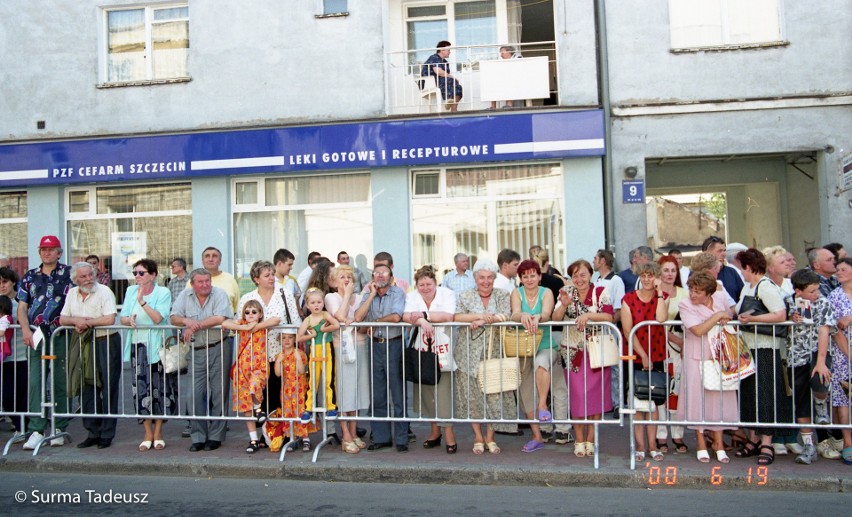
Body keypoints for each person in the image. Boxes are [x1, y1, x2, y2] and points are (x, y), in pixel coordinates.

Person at [734, 248, 793, 466]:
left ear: (749, 267)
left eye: (742, 268)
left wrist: (753, 320)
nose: (741, 272)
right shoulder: (747, 287)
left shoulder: (765, 286)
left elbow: (780, 314)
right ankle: (754, 438)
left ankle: (766, 442)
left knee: (765, 395)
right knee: (750, 394)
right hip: (749, 348)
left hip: (765, 348)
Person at [453, 258, 516, 455]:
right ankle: (478, 437)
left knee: (494, 395)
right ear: (475, 278)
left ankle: (490, 437)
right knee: (472, 397)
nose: (486, 281)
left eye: (490, 277)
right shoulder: (465, 295)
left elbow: (507, 314)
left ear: (495, 278)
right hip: (468, 353)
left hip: (494, 351)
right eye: (482, 277)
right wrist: (478, 319)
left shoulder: (502, 294)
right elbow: (457, 316)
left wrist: (492, 319)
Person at [553, 259, 615, 458]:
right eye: (575, 275)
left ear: (591, 275)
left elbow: (608, 317)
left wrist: (588, 316)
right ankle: (579, 439)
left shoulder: (601, 292)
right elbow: (555, 319)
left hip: (597, 351)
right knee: (578, 396)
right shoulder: (566, 293)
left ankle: (592, 439)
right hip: (572, 352)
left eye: (583, 275)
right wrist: (563, 306)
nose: (579, 279)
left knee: (596, 396)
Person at [19, 235, 73, 450]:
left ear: (59, 252)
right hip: (36, 336)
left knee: (61, 381)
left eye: (51, 249)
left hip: (61, 334)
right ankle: (36, 429)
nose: (47, 253)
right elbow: (22, 306)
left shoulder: (69, 274)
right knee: (36, 382)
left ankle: (59, 428)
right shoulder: (30, 276)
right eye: (43, 249)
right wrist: (24, 328)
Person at [678, 272, 739, 463]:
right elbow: (697, 330)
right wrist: (718, 316)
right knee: (697, 399)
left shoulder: (720, 298)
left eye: (697, 291)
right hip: (695, 356)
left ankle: (718, 443)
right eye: (691, 290)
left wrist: (723, 315)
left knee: (719, 398)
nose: (693, 295)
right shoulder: (685, 304)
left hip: (719, 356)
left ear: (708, 292)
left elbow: (730, 316)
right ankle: (701, 442)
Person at [170, 268, 233, 452]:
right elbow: (174, 317)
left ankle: (216, 436)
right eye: (201, 282)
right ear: (193, 283)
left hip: (218, 347)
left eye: (208, 281)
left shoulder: (219, 293)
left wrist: (195, 326)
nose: (205, 284)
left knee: (219, 393)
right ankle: (198, 436)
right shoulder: (185, 295)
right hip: (195, 350)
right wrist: (186, 322)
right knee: (193, 395)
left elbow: (220, 317)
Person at [60, 261, 120, 450]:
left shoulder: (104, 291)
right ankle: (92, 432)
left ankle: (107, 433)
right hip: (83, 344)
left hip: (105, 342)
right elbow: (63, 318)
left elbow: (110, 318)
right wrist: (77, 320)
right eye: (83, 276)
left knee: (108, 387)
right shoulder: (71, 293)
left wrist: (88, 323)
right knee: (87, 388)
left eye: (90, 275)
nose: (88, 279)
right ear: (75, 279)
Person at [119, 259, 173, 452]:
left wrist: (142, 302)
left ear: (152, 274)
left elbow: (159, 318)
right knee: (141, 390)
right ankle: (147, 432)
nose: (137, 277)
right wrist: (129, 320)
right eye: (135, 273)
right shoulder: (130, 291)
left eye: (141, 273)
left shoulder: (162, 292)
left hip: (156, 347)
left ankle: (158, 431)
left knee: (159, 389)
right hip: (137, 345)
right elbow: (123, 317)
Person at [403, 265, 458, 454]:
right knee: (426, 390)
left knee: (443, 393)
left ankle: (449, 433)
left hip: (443, 347)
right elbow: (406, 315)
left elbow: (448, 315)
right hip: (422, 347)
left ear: (435, 282)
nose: (425, 287)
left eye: (428, 283)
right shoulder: (412, 296)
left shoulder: (447, 294)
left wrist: (425, 315)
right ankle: (435, 432)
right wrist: (423, 321)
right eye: (421, 284)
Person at [354, 263, 409, 452]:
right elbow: (358, 317)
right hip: (374, 345)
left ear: (391, 277)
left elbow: (396, 317)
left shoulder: (397, 293)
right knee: (377, 394)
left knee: (398, 393)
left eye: (384, 272)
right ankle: (380, 437)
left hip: (394, 344)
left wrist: (375, 321)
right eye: (376, 273)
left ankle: (402, 438)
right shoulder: (368, 294)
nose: (380, 276)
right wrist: (370, 295)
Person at [620, 262, 668, 462]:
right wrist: (643, 355)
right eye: (645, 275)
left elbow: (661, 319)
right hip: (636, 354)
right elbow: (627, 330)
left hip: (656, 353)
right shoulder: (629, 299)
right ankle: (640, 446)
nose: (647, 279)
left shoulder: (662, 298)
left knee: (654, 404)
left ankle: (653, 445)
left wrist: (659, 294)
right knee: (639, 403)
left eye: (652, 276)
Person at [787, 268, 835, 465]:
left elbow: (824, 331)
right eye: (812, 291)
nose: (816, 294)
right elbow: (783, 321)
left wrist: (821, 362)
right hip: (796, 355)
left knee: (820, 381)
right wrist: (790, 319)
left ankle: (821, 403)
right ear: (798, 291)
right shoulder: (789, 301)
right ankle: (809, 445)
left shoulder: (824, 303)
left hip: (818, 352)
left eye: (817, 290)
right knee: (801, 401)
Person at [237, 260, 295, 417]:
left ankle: (280, 436)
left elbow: (294, 321)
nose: (271, 278)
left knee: (278, 395)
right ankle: (265, 435)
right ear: (256, 279)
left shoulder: (285, 295)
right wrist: (245, 327)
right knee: (259, 397)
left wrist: (256, 327)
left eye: (272, 274)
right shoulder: (247, 298)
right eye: (266, 275)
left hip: (280, 352)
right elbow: (239, 323)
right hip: (256, 356)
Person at [510, 259, 556, 453]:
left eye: (532, 275)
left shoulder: (546, 292)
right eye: (525, 276)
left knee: (541, 363)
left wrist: (538, 317)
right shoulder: (516, 292)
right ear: (520, 278)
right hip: (522, 347)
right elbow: (514, 314)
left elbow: (547, 312)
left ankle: (543, 404)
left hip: (545, 345)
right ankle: (537, 436)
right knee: (525, 391)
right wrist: (522, 316)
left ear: (539, 276)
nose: (529, 279)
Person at [222, 300, 278, 453]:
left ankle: (259, 409)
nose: (250, 315)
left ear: (260, 314)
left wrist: (257, 326)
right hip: (242, 369)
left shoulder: (263, 325)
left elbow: (277, 320)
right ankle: (253, 439)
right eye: (247, 312)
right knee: (246, 405)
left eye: (254, 312)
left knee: (255, 386)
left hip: (258, 367)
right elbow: (225, 323)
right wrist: (243, 327)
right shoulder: (241, 324)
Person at [325, 265, 370, 453]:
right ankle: (345, 434)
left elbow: (361, 321)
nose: (346, 279)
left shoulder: (359, 298)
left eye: (349, 276)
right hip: (341, 348)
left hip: (359, 345)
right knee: (344, 389)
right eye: (342, 276)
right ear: (335, 282)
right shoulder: (331, 297)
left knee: (358, 388)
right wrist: (346, 295)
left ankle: (354, 431)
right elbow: (340, 316)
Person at [656, 255, 688, 454]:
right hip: (661, 346)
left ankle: (678, 434)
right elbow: (655, 321)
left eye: (673, 270)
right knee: (661, 389)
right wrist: (675, 340)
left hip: (681, 348)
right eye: (666, 270)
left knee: (678, 389)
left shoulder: (684, 293)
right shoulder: (655, 293)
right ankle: (661, 434)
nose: (669, 274)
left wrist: (683, 342)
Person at [297, 288, 340, 433]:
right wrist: (312, 335)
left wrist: (324, 329)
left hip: (327, 349)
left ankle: (331, 406)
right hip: (314, 351)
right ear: (307, 305)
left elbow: (336, 325)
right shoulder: (307, 320)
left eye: (319, 302)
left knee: (328, 379)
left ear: (323, 303)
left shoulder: (325, 315)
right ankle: (308, 408)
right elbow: (299, 337)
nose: (316, 305)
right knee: (312, 381)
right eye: (313, 303)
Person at [272, 332, 316, 453]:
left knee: (300, 411)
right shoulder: (279, 355)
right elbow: (278, 374)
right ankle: (293, 436)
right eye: (284, 338)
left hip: (299, 388)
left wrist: (298, 359)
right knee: (289, 411)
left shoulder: (300, 353)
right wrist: (278, 362)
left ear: (295, 339)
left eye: (290, 338)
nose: (286, 340)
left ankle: (305, 437)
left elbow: (302, 371)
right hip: (286, 389)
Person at [827, 257, 852, 465]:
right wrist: (850, 355)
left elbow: (846, 320)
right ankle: (848, 442)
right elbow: (835, 330)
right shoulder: (834, 296)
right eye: (838, 269)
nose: (839, 272)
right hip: (843, 354)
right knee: (844, 397)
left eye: (844, 269)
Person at [0, 267, 28, 443]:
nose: (2, 286)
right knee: (7, 396)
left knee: (21, 395)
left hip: (20, 357)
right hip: (3, 358)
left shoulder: (20, 303)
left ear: (12, 283)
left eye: (5, 282)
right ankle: (19, 426)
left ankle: (23, 427)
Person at [197, 247, 241, 313]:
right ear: (202, 261)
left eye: (214, 256)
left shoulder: (230, 280)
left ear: (220, 261)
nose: (210, 259)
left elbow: (236, 308)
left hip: (227, 322)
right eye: (207, 256)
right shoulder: (193, 281)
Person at [423, 40, 463, 112]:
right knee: (451, 80)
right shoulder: (434, 57)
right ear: (441, 49)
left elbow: (445, 75)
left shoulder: (445, 62)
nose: (450, 52)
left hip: (439, 81)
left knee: (458, 87)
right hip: (429, 82)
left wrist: (452, 78)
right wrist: (452, 77)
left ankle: (453, 109)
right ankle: (449, 100)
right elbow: (438, 71)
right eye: (448, 50)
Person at [702, 236, 744, 302]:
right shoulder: (696, 274)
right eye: (719, 251)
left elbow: (742, 298)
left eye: (724, 250)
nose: (724, 254)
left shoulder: (731, 272)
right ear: (707, 253)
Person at [593, 249, 625, 323]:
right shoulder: (596, 282)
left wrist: (610, 324)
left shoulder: (616, 280)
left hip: (609, 329)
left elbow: (619, 308)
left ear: (603, 261)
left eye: (595, 258)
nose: (593, 261)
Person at [489, 45, 523, 109]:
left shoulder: (518, 57)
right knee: (493, 85)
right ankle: (493, 107)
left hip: (515, 80)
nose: (501, 55)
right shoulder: (502, 62)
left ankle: (509, 104)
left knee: (509, 83)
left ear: (509, 52)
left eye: (502, 53)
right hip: (505, 80)